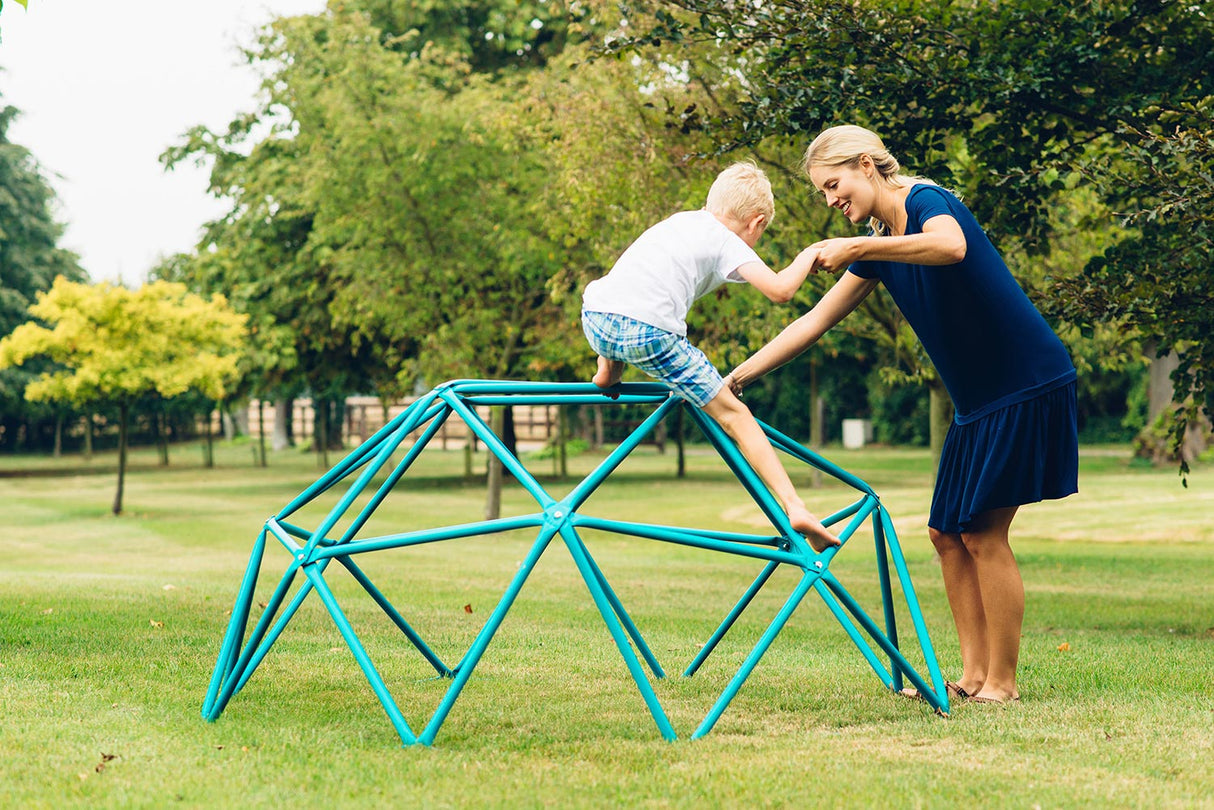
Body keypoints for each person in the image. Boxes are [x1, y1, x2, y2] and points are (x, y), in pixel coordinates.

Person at [725, 126, 1078, 705]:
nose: (833, 201)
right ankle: (970, 678)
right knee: (945, 534)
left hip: (1023, 381)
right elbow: (812, 322)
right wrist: (734, 380)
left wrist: (862, 248)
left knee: (983, 532)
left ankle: (1003, 685)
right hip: (976, 402)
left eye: (834, 184)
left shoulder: (924, 202)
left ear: (867, 165)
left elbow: (951, 246)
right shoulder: (881, 243)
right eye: (823, 193)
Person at [581, 161, 840, 552]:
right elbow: (781, 290)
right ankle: (796, 507)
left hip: (597, 318)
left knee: (625, 314)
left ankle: (607, 370)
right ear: (755, 223)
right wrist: (811, 253)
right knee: (735, 415)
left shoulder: (679, 222)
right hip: (652, 334)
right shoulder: (728, 240)